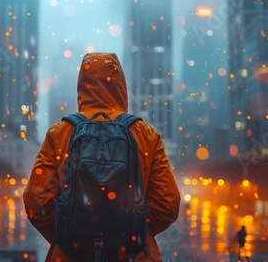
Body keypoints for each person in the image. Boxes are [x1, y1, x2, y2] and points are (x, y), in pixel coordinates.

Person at [23, 52, 181, 262]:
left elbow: (36, 201)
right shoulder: (146, 135)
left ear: (82, 85)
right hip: (134, 256)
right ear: (120, 85)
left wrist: (69, 236)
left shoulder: (60, 133)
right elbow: (168, 204)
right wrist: (135, 232)